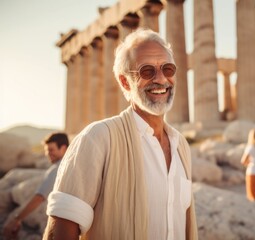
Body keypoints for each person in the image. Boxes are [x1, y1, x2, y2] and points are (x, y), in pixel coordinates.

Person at [42, 29, 198, 240]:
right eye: (147, 71)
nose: (161, 79)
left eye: (168, 69)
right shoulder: (98, 138)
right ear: (125, 82)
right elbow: (59, 232)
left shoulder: (181, 146)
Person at [3, 132, 69, 240]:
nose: (48, 153)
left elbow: (39, 198)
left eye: (51, 150)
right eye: (47, 150)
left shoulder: (57, 168)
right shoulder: (70, 165)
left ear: (63, 148)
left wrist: (16, 219)